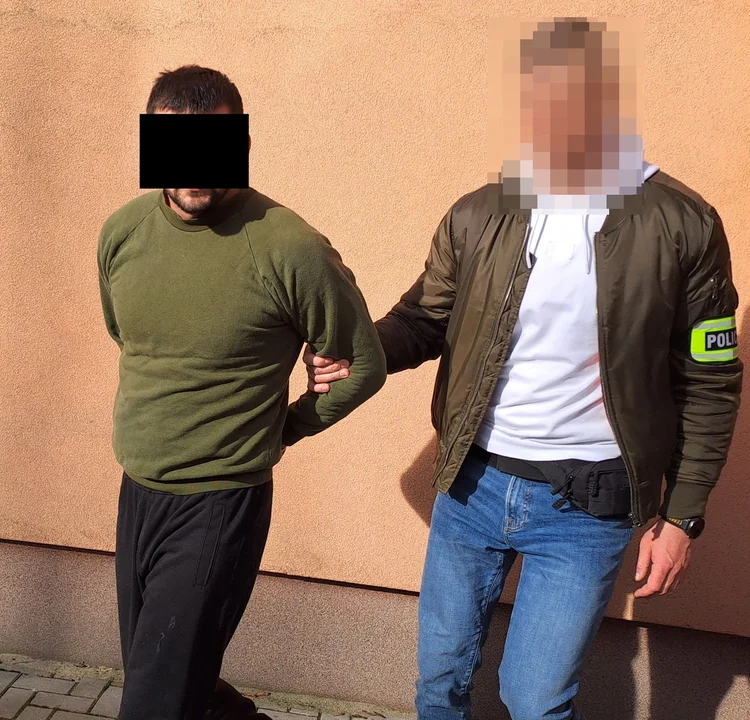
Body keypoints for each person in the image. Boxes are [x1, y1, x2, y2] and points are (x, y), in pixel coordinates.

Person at [305, 18, 742, 720]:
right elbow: (423, 319)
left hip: (586, 507)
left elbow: (711, 379)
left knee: (535, 702)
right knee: (439, 683)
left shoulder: (683, 224)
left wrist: (683, 517)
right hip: (471, 484)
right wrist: (356, 349)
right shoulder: (483, 214)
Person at [97, 65, 387, 720]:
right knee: (171, 680)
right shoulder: (122, 233)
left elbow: (362, 365)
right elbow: (132, 341)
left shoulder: (289, 247)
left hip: (220, 502)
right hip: (138, 490)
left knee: (153, 703)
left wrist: (286, 425)